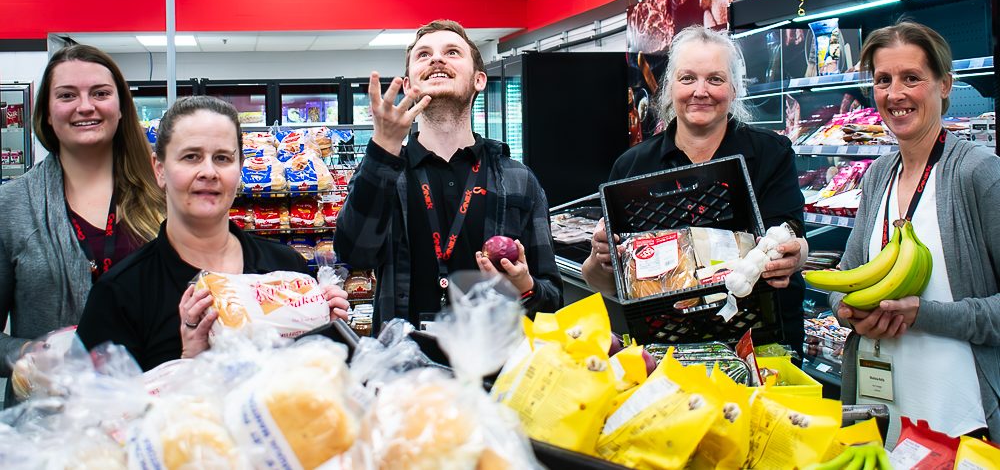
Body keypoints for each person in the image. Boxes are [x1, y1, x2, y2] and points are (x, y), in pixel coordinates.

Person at [76, 96, 349, 371]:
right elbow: (99, 408)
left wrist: (327, 331)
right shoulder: (119, 294)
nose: (208, 171)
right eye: (191, 156)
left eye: (222, 158)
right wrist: (190, 362)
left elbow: (315, 391)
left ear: (240, 168)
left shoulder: (288, 269)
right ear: (159, 169)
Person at [582, 26, 809, 352]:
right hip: (666, 348)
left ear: (733, 88)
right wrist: (600, 259)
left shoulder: (771, 154)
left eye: (714, 79)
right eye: (688, 78)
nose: (700, 91)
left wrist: (795, 255)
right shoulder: (632, 166)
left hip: (761, 344)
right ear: (670, 88)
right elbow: (611, 284)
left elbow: (792, 235)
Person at [832, 21, 1000, 443]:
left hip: (959, 419)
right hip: (883, 417)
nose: (895, 94)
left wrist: (924, 315)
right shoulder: (876, 177)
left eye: (911, 78)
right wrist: (847, 312)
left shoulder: (978, 173)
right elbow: (845, 272)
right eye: (883, 80)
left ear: (944, 85)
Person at [335, 19, 562, 328]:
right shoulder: (384, 172)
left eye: (452, 52)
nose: (436, 59)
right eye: (423, 54)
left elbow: (552, 299)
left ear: (479, 80)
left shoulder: (518, 179)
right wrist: (384, 146)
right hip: (404, 365)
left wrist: (525, 286)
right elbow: (354, 253)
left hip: (497, 370)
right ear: (410, 83)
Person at [0, 45, 164, 403]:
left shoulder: (162, 196)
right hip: (52, 429)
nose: (85, 106)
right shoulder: (10, 206)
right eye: (67, 95)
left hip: (155, 417)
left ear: (121, 109)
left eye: (101, 93)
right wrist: (27, 351)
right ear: (46, 112)